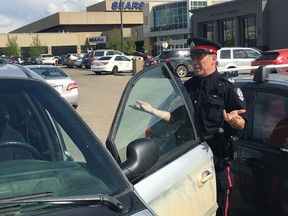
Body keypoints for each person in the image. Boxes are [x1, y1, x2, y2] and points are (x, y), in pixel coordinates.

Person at [135, 37, 247, 216]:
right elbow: (177, 118)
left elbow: (241, 122)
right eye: (193, 58)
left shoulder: (226, 88)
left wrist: (233, 121)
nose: (194, 63)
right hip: (192, 162)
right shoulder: (189, 86)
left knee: (220, 211)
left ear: (213, 58)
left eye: (199, 58)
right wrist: (152, 110)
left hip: (216, 162)